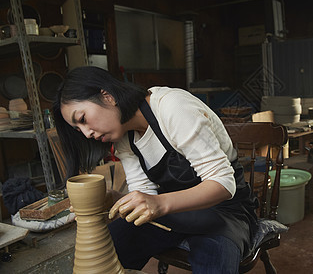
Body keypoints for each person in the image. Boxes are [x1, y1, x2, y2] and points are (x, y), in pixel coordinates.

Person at [53, 66, 258, 273]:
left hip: (225, 212)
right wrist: (115, 200)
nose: (87, 133)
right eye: (78, 129)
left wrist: (159, 203)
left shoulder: (172, 107)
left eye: (83, 119)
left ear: (107, 96)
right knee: (108, 247)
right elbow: (145, 193)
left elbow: (223, 184)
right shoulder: (124, 137)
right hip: (174, 211)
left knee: (214, 263)